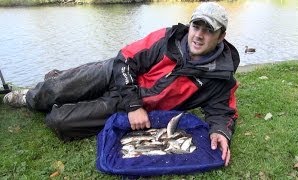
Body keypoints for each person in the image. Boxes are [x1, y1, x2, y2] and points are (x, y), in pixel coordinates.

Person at [3, 2, 239, 166]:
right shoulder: (168, 39)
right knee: (54, 91)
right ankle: (28, 96)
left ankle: (62, 79)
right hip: (115, 73)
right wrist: (134, 105)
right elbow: (126, 58)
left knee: (59, 122)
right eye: (196, 26)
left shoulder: (221, 76)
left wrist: (220, 131)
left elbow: (223, 110)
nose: (198, 35)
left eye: (208, 31)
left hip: (127, 104)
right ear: (190, 26)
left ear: (221, 36)